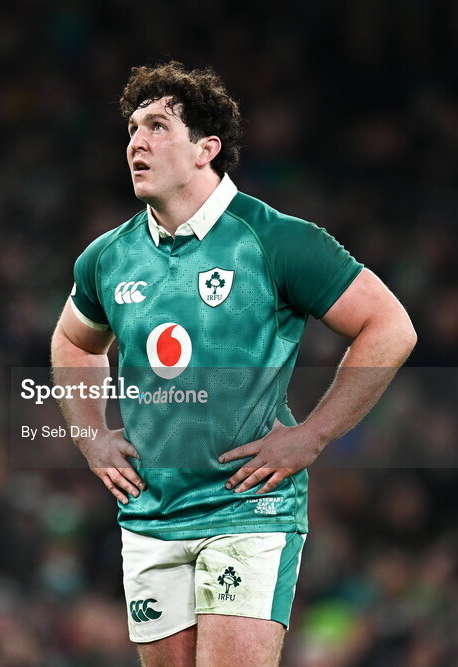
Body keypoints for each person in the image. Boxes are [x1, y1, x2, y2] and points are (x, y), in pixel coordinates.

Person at [50, 61, 417, 666]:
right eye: (133, 129)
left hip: (248, 508)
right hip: (150, 515)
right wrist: (92, 437)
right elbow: (74, 343)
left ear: (206, 149)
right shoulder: (108, 257)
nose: (137, 142)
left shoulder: (278, 240)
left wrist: (313, 435)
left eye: (158, 126)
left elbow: (390, 327)